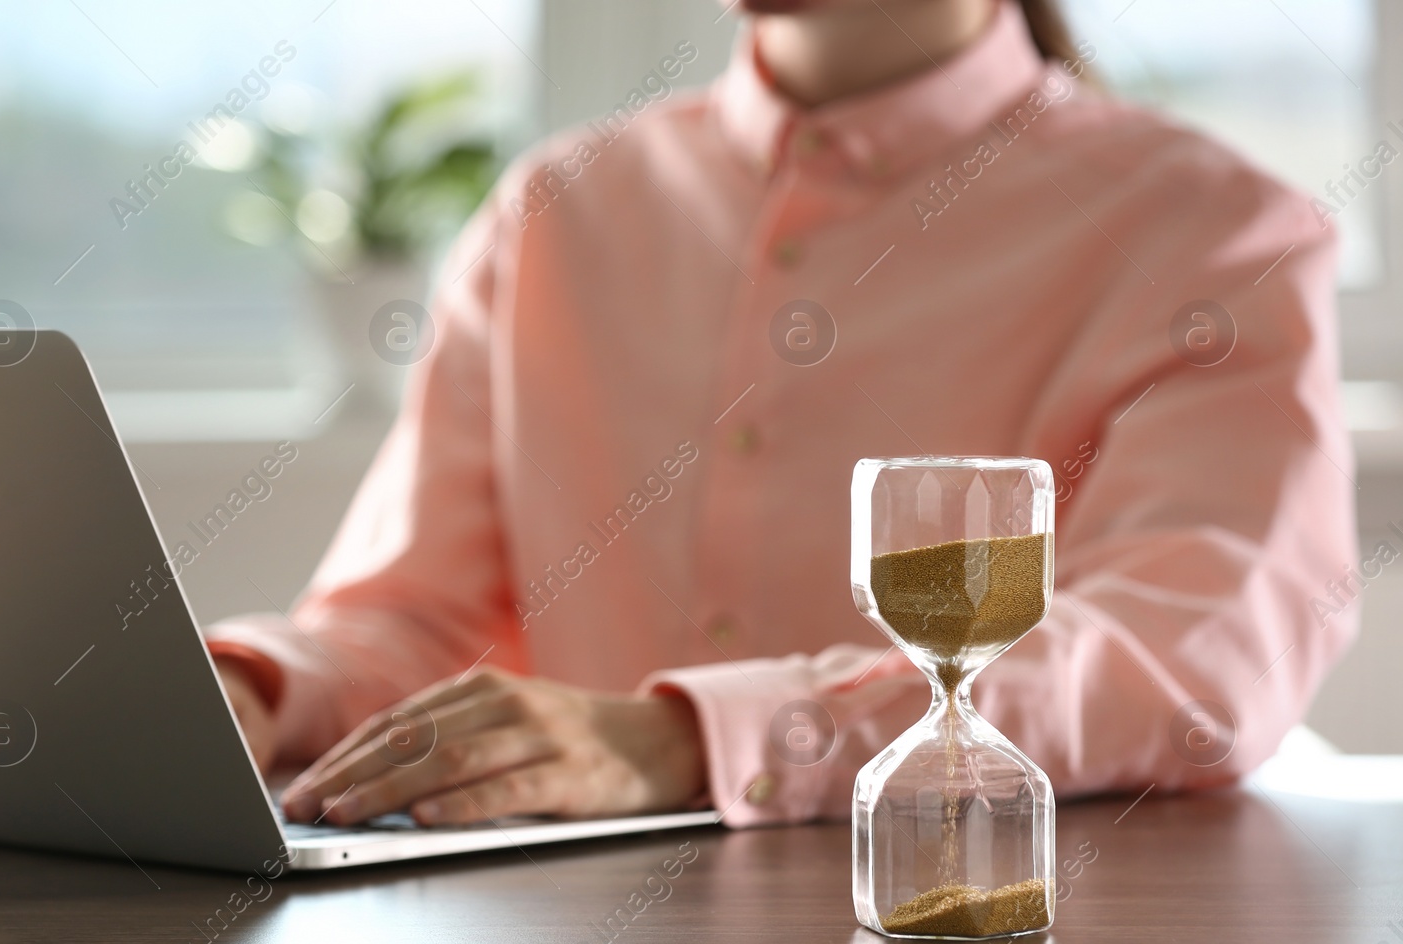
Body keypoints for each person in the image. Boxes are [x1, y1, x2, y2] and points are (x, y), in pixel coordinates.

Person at [206, 0, 1357, 829]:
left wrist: (689, 738)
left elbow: (1180, 654)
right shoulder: (554, 212)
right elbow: (416, 617)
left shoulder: (1213, 231)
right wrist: (250, 687)